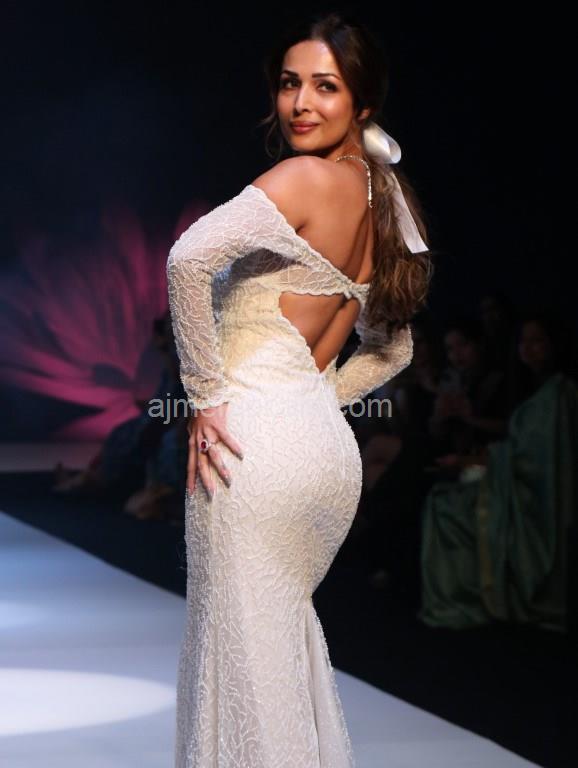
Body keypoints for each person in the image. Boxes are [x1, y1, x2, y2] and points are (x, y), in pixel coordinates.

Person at [166, 13, 432, 767]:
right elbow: (397, 347)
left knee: (245, 664)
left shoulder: (302, 177)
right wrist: (311, 400)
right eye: (290, 84)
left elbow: (187, 259)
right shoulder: (382, 198)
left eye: (325, 86)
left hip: (251, 451)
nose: (301, 103)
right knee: (277, 649)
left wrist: (206, 396)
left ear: (363, 102)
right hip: (323, 454)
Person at [419, 312, 578, 632]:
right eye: (523, 342)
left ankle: (466, 597)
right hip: (513, 478)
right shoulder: (533, 389)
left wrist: (473, 459)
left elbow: (541, 458)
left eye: (537, 341)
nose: (528, 348)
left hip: (537, 493)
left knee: (446, 505)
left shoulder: (561, 393)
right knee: (440, 495)